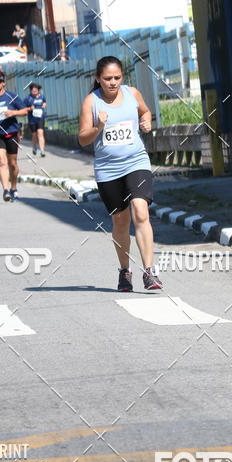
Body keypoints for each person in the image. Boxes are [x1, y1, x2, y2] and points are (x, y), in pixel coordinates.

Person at [78, 56, 162, 292]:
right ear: (98, 79)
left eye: (117, 77)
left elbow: (145, 112)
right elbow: (82, 138)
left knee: (140, 211)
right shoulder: (91, 102)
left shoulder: (132, 93)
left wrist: (147, 122)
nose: (113, 82)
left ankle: (149, 271)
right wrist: (98, 126)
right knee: (120, 221)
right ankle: (125, 271)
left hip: (136, 162)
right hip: (108, 170)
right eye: (107, 78)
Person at [0, 73, 28, 202]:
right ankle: (6, 190)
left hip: (11, 133)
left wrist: (13, 112)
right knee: (2, 162)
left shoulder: (11, 96)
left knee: (12, 164)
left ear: (3, 83)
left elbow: (25, 111)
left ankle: (13, 187)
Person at [24, 83, 47, 157]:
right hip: (32, 119)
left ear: (38, 90)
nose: (34, 92)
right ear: (30, 91)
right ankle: (34, 146)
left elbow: (44, 102)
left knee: (40, 133)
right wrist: (30, 108)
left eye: (36, 90)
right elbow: (23, 108)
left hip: (40, 118)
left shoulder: (42, 97)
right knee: (34, 135)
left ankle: (42, 151)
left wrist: (44, 105)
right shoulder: (28, 99)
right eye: (33, 90)